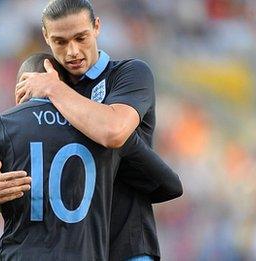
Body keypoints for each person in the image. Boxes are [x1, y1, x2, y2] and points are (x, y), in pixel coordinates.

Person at [0, 53, 182, 260]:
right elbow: (169, 184)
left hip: (22, 253)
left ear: (24, 84)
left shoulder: (6, 124)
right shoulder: (96, 128)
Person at [12, 0, 171, 260]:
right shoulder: (45, 91)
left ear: (96, 27)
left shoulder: (130, 73)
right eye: (60, 42)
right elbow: (23, 158)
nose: (73, 51)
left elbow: (113, 131)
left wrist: (53, 89)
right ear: (46, 37)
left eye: (80, 37)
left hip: (125, 246)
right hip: (73, 249)